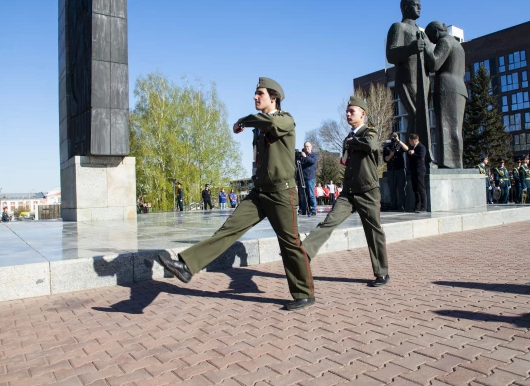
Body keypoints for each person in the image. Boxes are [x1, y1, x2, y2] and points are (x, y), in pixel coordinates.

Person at [158, 77, 315, 311]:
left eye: (259, 93)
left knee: (290, 244)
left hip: (283, 194)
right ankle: (186, 266)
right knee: (228, 229)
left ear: (274, 98)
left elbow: (265, 123)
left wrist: (243, 120)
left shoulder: (285, 119)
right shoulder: (259, 129)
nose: (255, 97)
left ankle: (304, 294)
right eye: (255, 93)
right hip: (259, 193)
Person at [302, 96, 389, 287]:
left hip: (368, 191)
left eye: (352, 111)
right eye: (347, 112)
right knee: (328, 222)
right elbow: (345, 161)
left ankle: (382, 272)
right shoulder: (347, 138)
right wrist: (349, 143)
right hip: (348, 192)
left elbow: (372, 145)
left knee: (373, 231)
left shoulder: (369, 132)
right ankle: (303, 255)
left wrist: (352, 141)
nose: (348, 114)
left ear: (363, 114)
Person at [386, 0, 432, 159]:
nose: (420, 8)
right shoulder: (399, 27)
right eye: (416, 5)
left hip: (423, 80)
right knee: (416, 116)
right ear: (406, 8)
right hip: (408, 79)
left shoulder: (421, 32)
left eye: (420, 5)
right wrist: (410, 48)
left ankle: (418, 155)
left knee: (420, 118)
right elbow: (391, 55)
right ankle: (412, 157)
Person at [423, 21, 468, 169]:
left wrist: (427, 48)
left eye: (430, 37)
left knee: (446, 125)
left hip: (447, 87)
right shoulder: (458, 45)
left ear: (436, 32)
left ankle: (449, 162)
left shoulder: (445, 42)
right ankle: (454, 162)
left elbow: (434, 64)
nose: (430, 40)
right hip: (459, 87)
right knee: (454, 127)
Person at [383, 132, 408, 211]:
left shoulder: (399, 145)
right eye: (392, 136)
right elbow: (385, 159)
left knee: (401, 189)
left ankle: (402, 206)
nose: (393, 137)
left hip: (400, 169)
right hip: (391, 170)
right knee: (392, 189)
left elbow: (406, 149)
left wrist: (398, 140)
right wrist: (390, 155)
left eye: (395, 136)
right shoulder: (387, 146)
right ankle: (393, 206)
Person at [407, 133, 427, 212]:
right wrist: (410, 153)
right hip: (414, 170)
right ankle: (417, 206)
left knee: (421, 188)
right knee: (415, 189)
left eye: (410, 141)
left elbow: (421, 157)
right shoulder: (413, 147)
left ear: (414, 141)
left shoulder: (421, 147)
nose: (409, 142)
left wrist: (413, 153)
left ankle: (423, 207)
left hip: (420, 170)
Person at [298, 142, 318, 215]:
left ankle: (313, 209)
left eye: (308, 146)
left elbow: (312, 162)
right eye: (305, 146)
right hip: (302, 177)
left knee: (311, 194)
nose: (307, 148)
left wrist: (305, 157)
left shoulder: (314, 155)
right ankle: (303, 209)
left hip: (310, 177)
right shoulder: (301, 155)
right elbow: (297, 164)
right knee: (302, 195)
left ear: (311, 147)